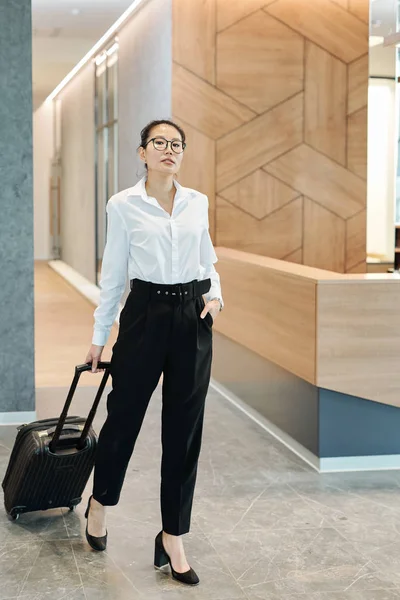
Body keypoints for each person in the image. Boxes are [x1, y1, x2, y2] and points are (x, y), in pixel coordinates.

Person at [84, 119, 223, 586]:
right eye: (159, 143)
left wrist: (215, 294)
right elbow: (113, 275)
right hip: (144, 316)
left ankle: (173, 535)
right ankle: (100, 504)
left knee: (184, 432)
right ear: (142, 153)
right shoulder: (123, 205)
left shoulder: (197, 202)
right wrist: (99, 338)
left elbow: (207, 256)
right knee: (123, 417)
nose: (169, 150)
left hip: (191, 318)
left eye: (176, 144)